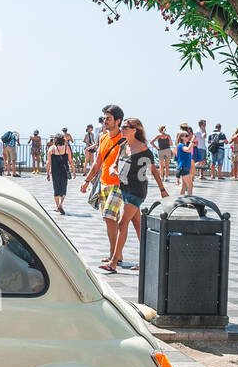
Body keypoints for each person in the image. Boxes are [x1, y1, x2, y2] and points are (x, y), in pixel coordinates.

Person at [100, 118, 169, 272]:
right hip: (124, 189)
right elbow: (115, 164)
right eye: (122, 126)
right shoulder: (123, 146)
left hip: (137, 191)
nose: (122, 129)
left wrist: (162, 189)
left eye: (125, 127)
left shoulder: (143, 149)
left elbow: (153, 170)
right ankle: (148, 260)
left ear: (135, 129)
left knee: (121, 224)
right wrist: (113, 170)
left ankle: (113, 262)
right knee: (138, 226)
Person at [79, 104, 126, 262]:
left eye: (109, 119)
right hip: (104, 183)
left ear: (118, 121)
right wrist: (87, 181)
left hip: (119, 184)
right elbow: (97, 163)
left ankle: (114, 254)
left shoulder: (124, 139)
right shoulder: (103, 137)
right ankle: (115, 253)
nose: (105, 121)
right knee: (110, 220)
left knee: (108, 216)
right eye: (105, 118)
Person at [46, 133, 73, 213]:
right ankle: (61, 204)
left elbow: (48, 163)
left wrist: (47, 173)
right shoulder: (66, 148)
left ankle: (57, 206)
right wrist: (74, 171)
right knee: (63, 188)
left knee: (56, 188)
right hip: (65, 171)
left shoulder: (51, 149)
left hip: (55, 171)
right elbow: (70, 161)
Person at [174, 129, 195, 195]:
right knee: (190, 186)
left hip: (184, 167)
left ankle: (181, 200)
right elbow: (188, 150)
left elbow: (190, 149)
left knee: (184, 186)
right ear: (182, 137)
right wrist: (192, 141)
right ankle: (189, 202)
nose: (188, 136)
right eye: (186, 135)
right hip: (184, 168)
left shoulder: (183, 145)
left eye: (188, 135)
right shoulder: (181, 145)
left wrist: (191, 142)